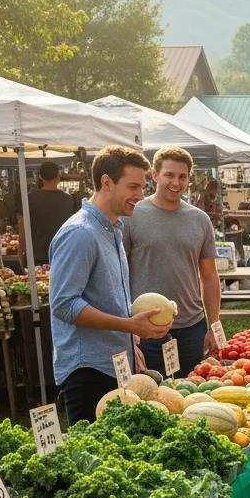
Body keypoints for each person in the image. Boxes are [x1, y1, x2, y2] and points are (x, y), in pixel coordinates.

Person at [49, 146, 172, 423]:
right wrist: (130, 326)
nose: (140, 195)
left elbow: (107, 298)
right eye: (133, 186)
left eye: (143, 186)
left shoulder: (113, 229)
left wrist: (131, 340)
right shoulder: (80, 233)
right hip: (88, 370)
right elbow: (65, 305)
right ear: (106, 182)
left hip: (114, 363)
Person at [124, 146, 221, 378]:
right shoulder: (132, 216)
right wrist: (127, 328)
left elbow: (209, 276)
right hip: (147, 328)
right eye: (169, 175)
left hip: (192, 327)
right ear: (155, 175)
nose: (176, 182)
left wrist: (214, 325)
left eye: (182, 176)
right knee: (154, 398)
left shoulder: (200, 220)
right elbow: (119, 272)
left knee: (194, 396)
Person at [27, 161, 77, 265]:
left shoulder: (30, 198)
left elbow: (23, 225)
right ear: (58, 177)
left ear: (40, 176)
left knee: (40, 280)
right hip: (64, 251)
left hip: (37, 252)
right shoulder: (69, 200)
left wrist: (22, 249)